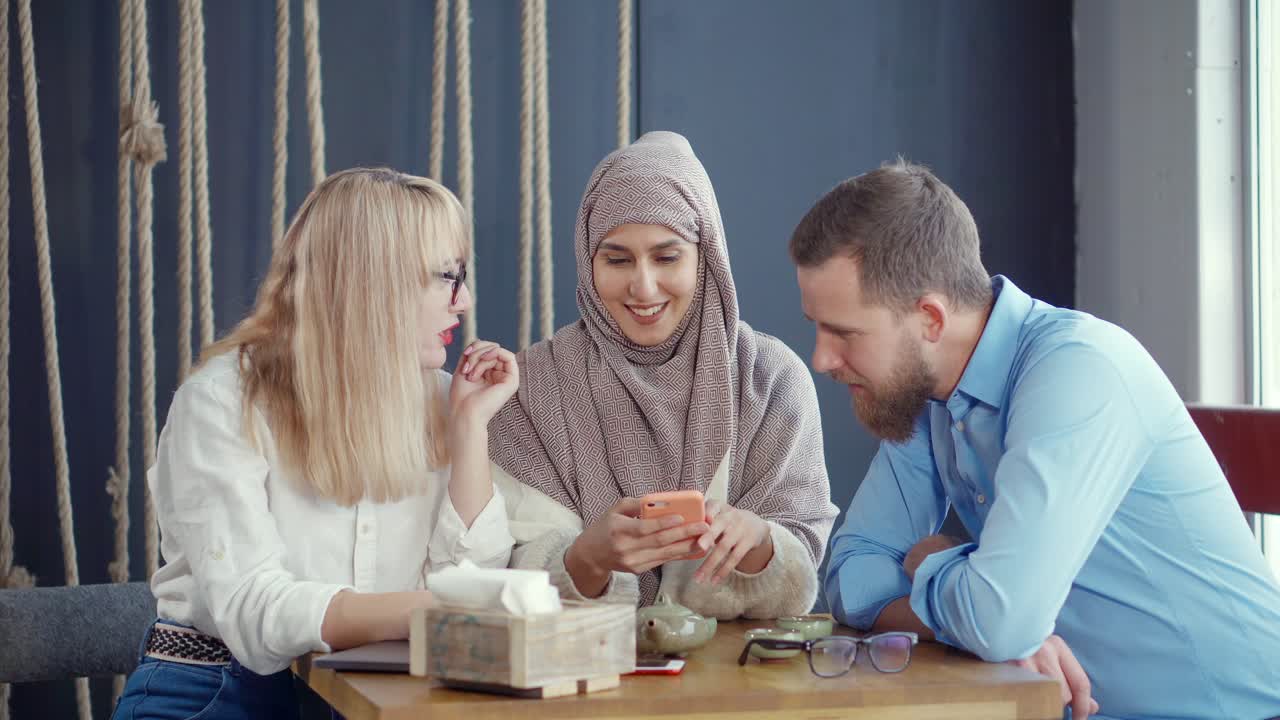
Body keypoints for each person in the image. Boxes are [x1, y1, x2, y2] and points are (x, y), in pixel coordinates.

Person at [792, 160, 1280, 720]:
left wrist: (939, 561)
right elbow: (852, 581)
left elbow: (1000, 620)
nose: (821, 359)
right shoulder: (924, 395)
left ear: (930, 319)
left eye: (844, 332)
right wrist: (982, 618)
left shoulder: (1078, 369)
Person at [112, 168, 519, 720]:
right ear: (373, 280)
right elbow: (253, 612)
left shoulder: (450, 400)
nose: (463, 300)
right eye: (449, 277)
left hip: (377, 691)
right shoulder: (221, 401)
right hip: (216, 690)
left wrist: (469, 430)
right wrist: (437, 610)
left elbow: (468, 588)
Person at [489, 131, 837, 618]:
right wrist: (587, 560)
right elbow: (500, 574)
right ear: (588, 262)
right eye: (617, 259)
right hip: (575, 664)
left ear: (706, 257)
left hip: (736, 667)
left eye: (667, 257)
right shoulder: (530, 388)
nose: (643, 286)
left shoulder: (770, 379)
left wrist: (759, 543)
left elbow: (798, 573)